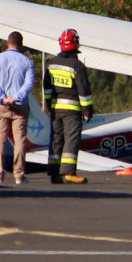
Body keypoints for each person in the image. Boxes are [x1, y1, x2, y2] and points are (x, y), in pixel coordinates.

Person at [43, 29, 93, 184]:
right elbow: (83, 91)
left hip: (55, 108)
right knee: (71, 139)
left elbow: (47, 88)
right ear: (76, 43)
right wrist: (87, 111)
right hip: (72, 110)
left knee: (56, 139)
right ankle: (69, 173)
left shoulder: (51, 63)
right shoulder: (77, 66)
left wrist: (50, 105)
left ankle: (54, 173)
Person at [0, 31, 34, 185]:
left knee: (0, 140)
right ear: (21, 44)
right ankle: (19, 174)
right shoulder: (27, 61)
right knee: (19, 140)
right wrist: (15, 97)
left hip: (0, 106)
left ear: (8, 43)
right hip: (19, 106)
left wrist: (2, 98)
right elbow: (29, 84)